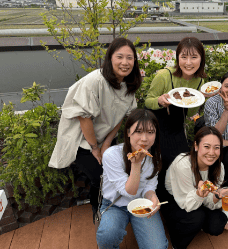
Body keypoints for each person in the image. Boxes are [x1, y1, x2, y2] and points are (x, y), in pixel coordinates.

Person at [49, 37, 140, 221]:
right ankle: (98, 211)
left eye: (129, 58)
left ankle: (114, 207)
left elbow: (120, 116)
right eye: (119, 57)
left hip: (104, 138)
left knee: (114, 172)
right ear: (110, 58)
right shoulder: (95, 81)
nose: (125, 62)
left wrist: (107, 143)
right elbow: (84, 117)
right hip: (83, 141)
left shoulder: (128, 84)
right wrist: (96, 148)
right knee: (100, 176)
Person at [145, 37, 216, 201]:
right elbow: (147, 102)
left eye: (194, 57)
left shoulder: (199, 81)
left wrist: (202, 97)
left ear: (201, 59)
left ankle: (180, 197)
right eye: (184, 57)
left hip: (177, 128)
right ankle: (161, 199)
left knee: (184, 162)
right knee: (164, 162)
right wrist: (159, 101)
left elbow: (190, 113)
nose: (188, 62)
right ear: (178, 58)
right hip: (157, 127)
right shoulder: (164, 76)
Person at [96, 109, 168, 249]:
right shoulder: (111, 155)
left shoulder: (154, 157)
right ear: (128, 132)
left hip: (142, 204)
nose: (144, 138)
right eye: (139, 131)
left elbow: (149, 186)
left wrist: (152, 197)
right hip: (115, 205)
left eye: (150, 132)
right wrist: (136, 164)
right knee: (107, 236)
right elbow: (129, 192)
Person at [163, 126, 228, 249]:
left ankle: (197, 224)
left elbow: (210, 201)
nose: (211, 153)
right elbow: (186, 204)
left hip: (197, 199)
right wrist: (199, 194)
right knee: (197, 217)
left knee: (218, 223)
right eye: (206, 146)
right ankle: (176, 240)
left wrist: (218, 194)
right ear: (196, 146)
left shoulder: (219, 167)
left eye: (216, 148)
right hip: (175, 199)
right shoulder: (183, 165)